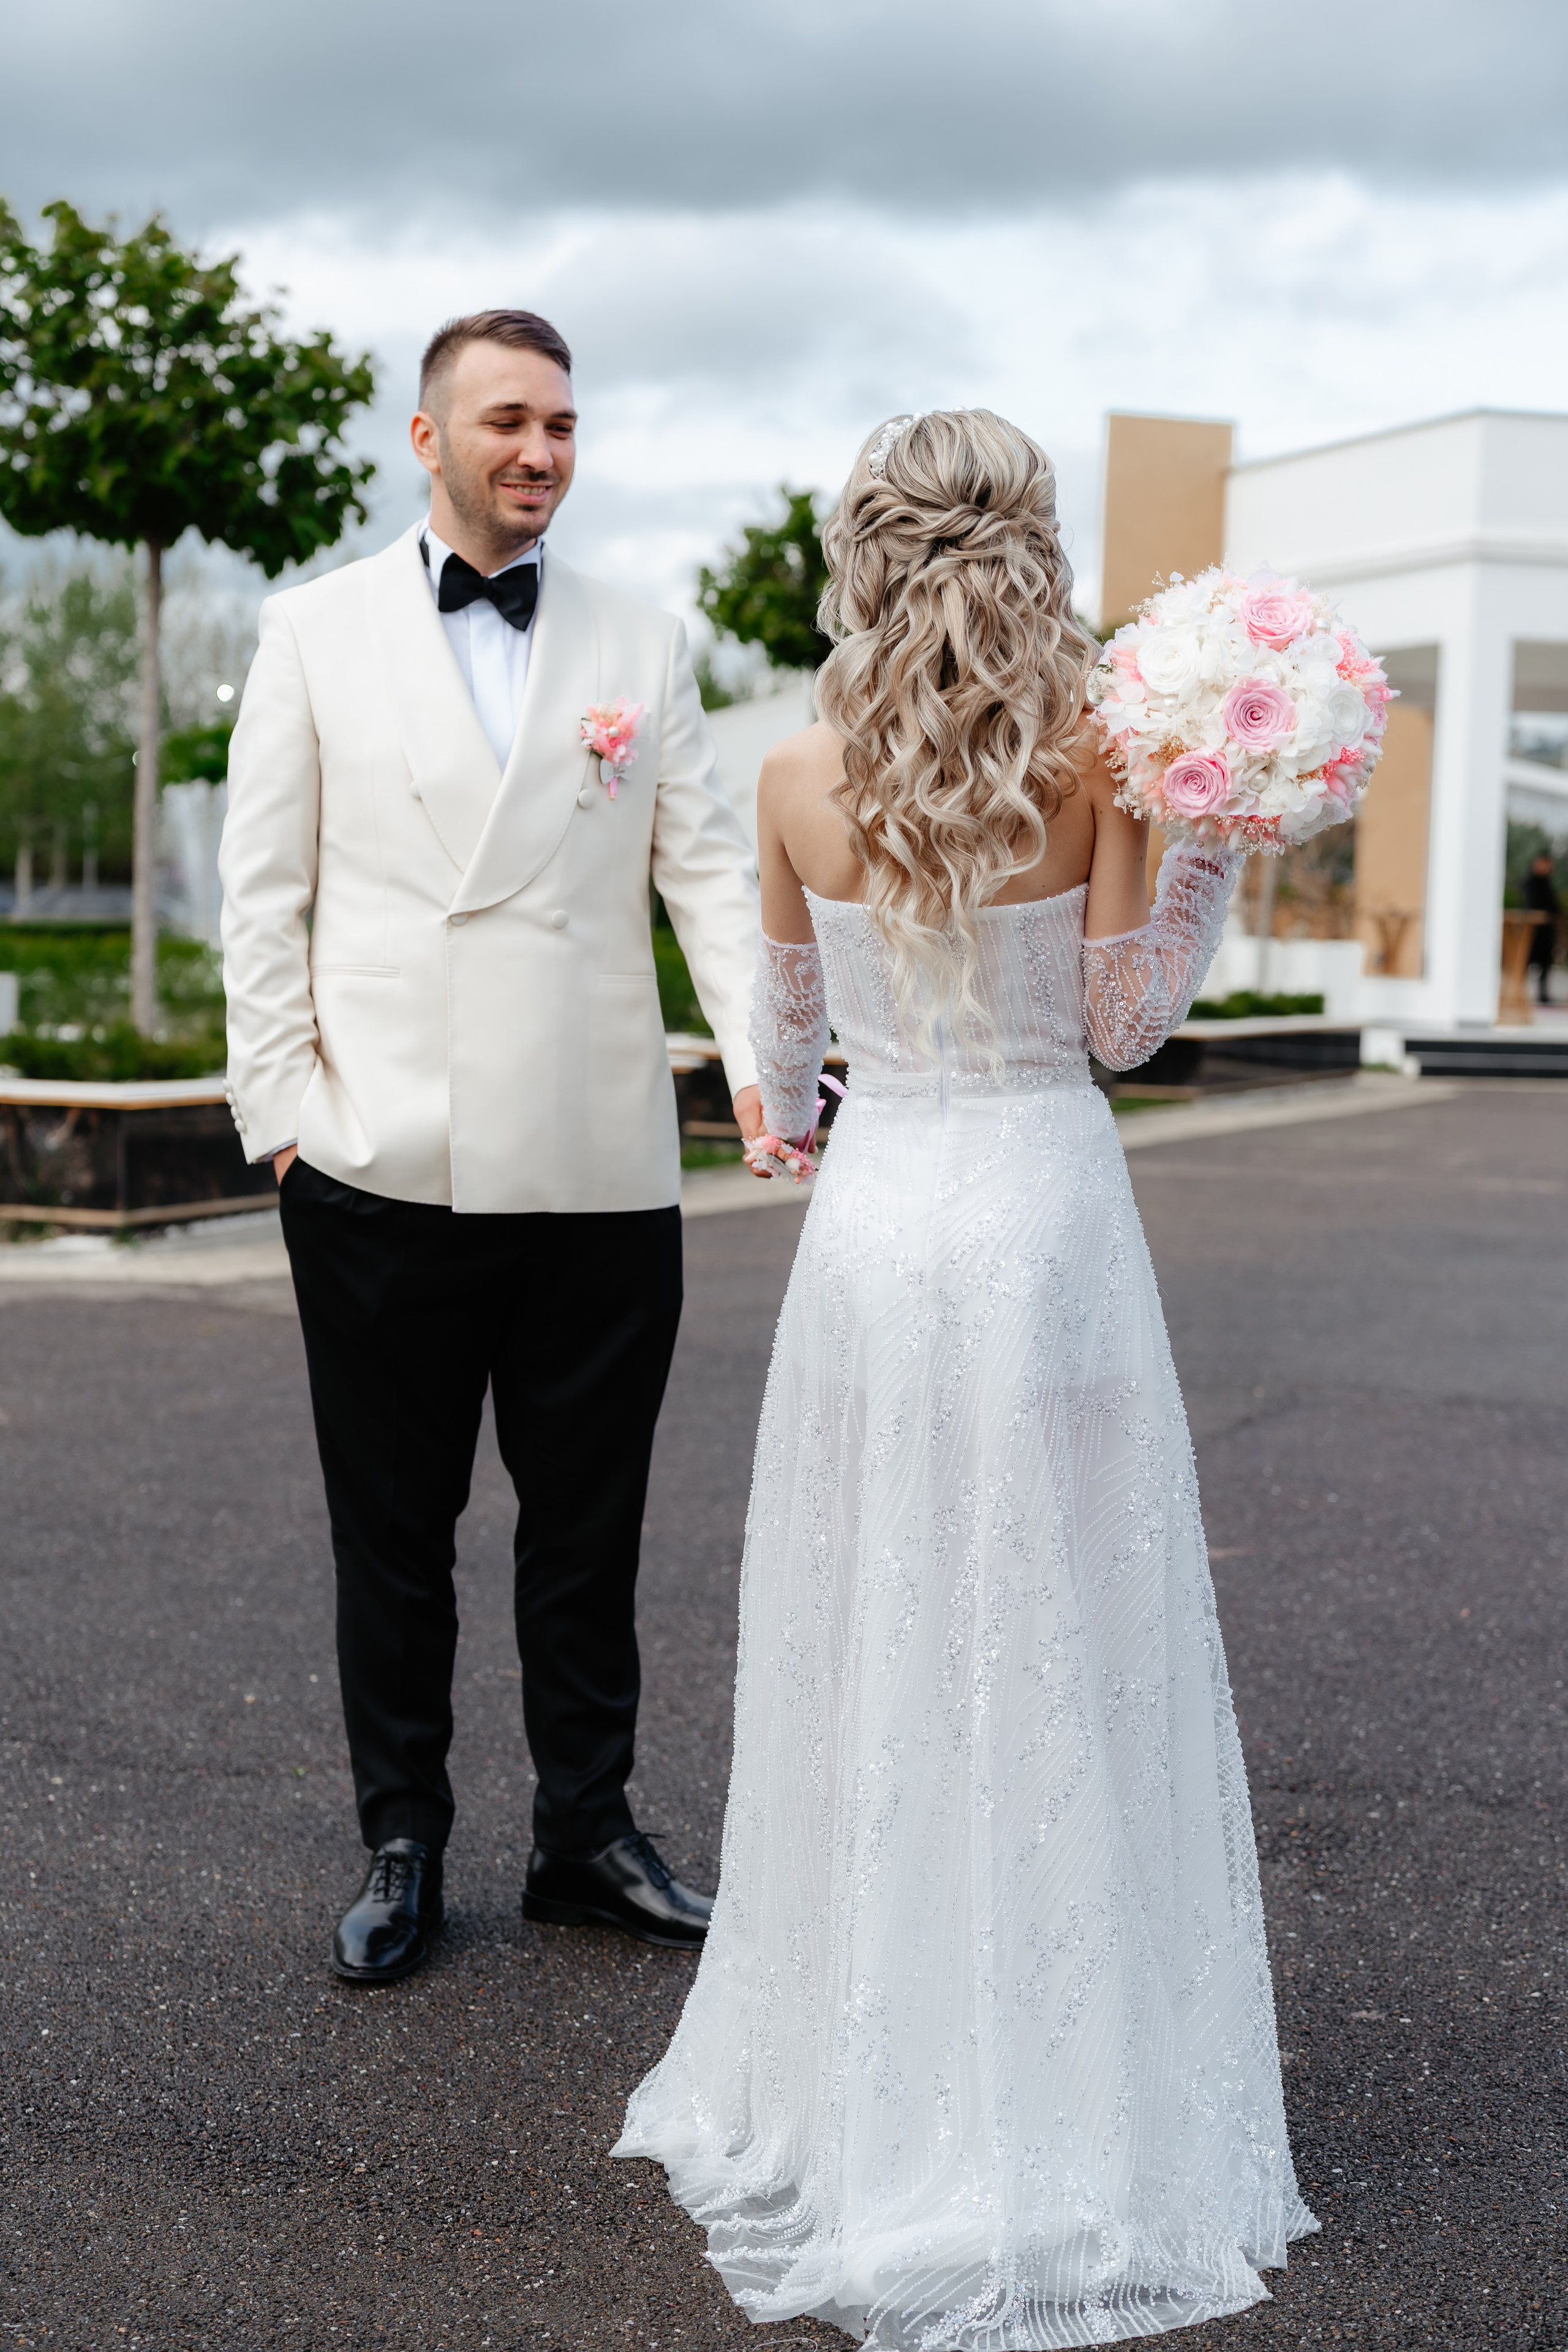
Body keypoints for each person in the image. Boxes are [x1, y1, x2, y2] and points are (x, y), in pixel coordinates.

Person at [616, 410, 1317, 2345]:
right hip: (1041, 1223)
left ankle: (867, 2064)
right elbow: (1125, 1028)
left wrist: (813, 1089)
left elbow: (781, 1051)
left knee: (884, 1627)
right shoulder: (1107, 764)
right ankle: (1065, 2068)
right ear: (1033, 549)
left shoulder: (787, 771)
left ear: (862, 552)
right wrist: (1197, 860)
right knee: (1058, 1627)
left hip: (877, 1229)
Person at [219, 309, 765, 1985]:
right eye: (511, 422)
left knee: (587, 1529)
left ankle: (587, 1836)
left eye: (566, 428)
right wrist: (284, 1124)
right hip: (380, 1159)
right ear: (429, 438)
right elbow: (265, 900)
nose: (543, 453)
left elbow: (710, 873)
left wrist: (765, 1066)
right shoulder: (312, 633)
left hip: (599, 1158)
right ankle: (404, 1839)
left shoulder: (641, 637)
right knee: (395, 1531)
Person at [1523, 850, 1559, 1004]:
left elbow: (1554, 907)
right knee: (1526, 961)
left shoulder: (1547, 883)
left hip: (1546, 931)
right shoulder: (1530, 882)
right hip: (1532, 930)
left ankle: (1543, 995)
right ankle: (1519, 993)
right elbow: (1531, 905)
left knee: (1545, 964)